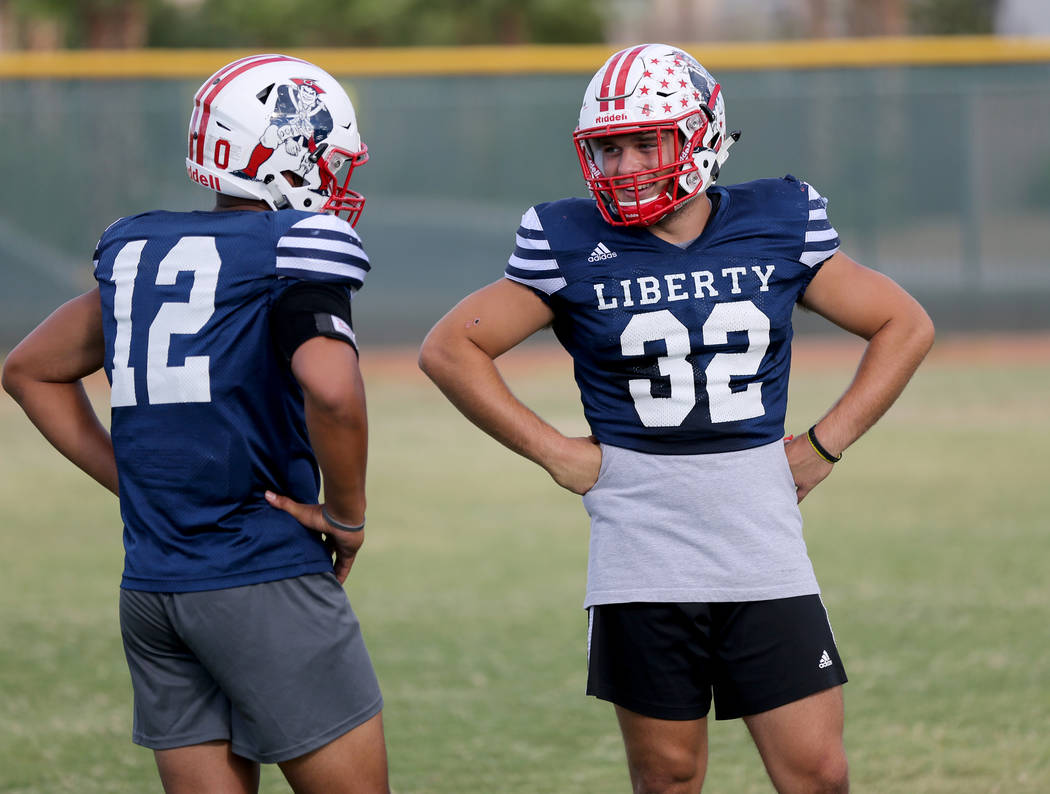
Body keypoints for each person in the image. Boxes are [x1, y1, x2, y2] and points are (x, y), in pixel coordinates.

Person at [418, 43, 934, 793]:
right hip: (641, 535)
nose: (624, 166)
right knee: (667, 776)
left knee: (818, 773)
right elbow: (450, 350)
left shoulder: (778, 216)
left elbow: (904, 323)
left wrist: (825, 444)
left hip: (758, 527)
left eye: (642, 142)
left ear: (702, 134)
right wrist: (558, 453)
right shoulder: (567, 237)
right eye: (608, 148)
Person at [2, 54, 389, 794]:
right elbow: (333, 390)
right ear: (287, 153)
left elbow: (30, 369)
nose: (340, 180)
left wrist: (135, 483)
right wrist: (347, 514)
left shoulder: (137, 248)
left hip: (152, 586)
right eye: (331, 159)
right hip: (259, 570)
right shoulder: (295, 246)